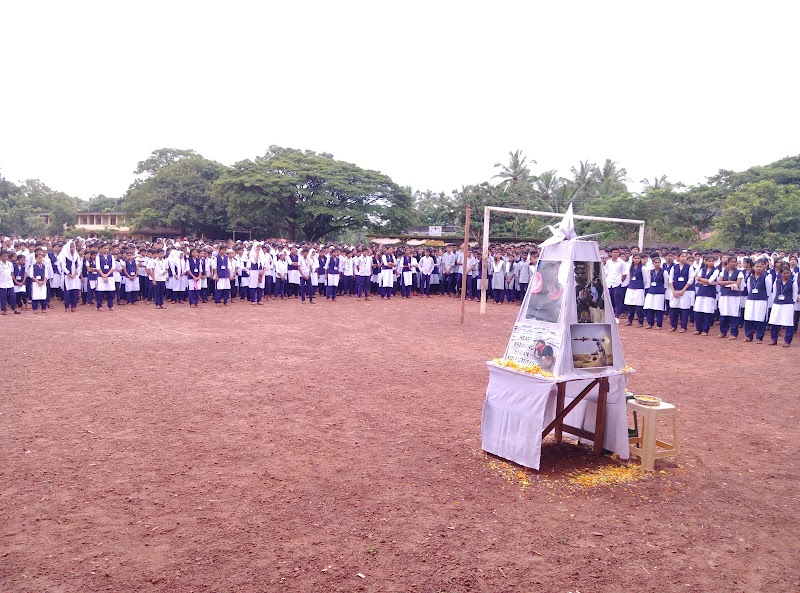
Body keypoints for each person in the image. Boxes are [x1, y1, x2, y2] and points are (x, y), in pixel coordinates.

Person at [743, 259, 771, 343]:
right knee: (749, 317)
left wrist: (764, 297)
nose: (759, 268)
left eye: (760, 266)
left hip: (761, 300)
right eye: (757, 266)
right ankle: (748, 336)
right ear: (753, 267)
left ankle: (759, 337)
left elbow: (768, 290)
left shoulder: (765, 278)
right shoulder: (750, 278)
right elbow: (749, 289)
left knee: (760, 318)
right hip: (751, 300)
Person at [768, 265, 796, 347]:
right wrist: (775, 302)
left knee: (788, 322)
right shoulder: (777, 282)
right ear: (780, 274)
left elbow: (794, 295)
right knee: (774, 321)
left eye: (788, 273)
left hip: (788, 305)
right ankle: (774, 339)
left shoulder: (793, 283)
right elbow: (774, 293)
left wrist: (791, 303)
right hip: (777, 304)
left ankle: (787, 341)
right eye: (784, 273)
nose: (786, 275)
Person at [716, 257, 743, 339]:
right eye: (732, 262)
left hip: (734, 296)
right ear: (728, 263)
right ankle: (723, 332)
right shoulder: (723, 271)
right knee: (724, 313)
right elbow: (719, 282)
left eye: (735, 262)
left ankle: (733, 333)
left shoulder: (739, 273)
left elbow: (737, 284)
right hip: (724, 295)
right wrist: (730, 282)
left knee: (734, 314)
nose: (733, 263)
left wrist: (725, 283)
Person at [692, 255, 719, 336]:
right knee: (698, 311)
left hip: (710, 293)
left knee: (707, 312)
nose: (711, 263)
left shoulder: (716, 271)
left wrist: (700, 279)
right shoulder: (702, 270)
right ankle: (698, 329)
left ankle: (705, 330)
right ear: (705, 262)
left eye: (712, 261)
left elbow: (710, 280)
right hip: (701, 292)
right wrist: (707, 282)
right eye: (709, 261)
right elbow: (697, 280)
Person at [668, 251, 694, 333]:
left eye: (685, 256)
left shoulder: (689, 267)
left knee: (684, 308)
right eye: (682, 256)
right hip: (675, 290)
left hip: (685, 291)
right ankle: (673, 326)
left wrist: (683, 290)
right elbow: (670, 279)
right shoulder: (674, 267)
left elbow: (690, 280)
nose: (684, 258)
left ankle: (683, 327)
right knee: (673, 308)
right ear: (678, 257)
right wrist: (673, 291)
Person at [643, 255, 667, 329]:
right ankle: (650, 323)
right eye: (656, 262)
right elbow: (648, 282)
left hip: (660, 292)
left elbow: (666, 284)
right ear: (653, 263)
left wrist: (663, 290)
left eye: (658, 262)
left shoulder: (664, 272)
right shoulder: (650, 271)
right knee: (649, 308)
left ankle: (659, 325)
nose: (657, 264)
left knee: (659, 308)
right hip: (651, 291)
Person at [624, 253, 646, 327]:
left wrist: (643, 287)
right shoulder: (630, 267)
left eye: (638, 258)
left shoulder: (642, 268)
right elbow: (628, 277)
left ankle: (640, 321)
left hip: (639, 288)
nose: (637, 260)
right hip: (631, 287)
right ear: (632, 259)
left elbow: (645, 279)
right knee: (630, 305)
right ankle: (629, 320)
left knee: (639, 306)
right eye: (635, 258)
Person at [60, 240, 83, 313]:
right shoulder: (64, 256)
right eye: (71, 247)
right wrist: (69, 274)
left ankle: (74, 306)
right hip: (67, 277)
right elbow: (63, 266)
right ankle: (67, 306)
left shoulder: (76, 256)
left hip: (75, 277)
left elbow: (79, 266)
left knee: (75, 292)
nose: (72, 249)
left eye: (73, 247)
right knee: (67, 292)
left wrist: (75, 273)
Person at [604, 248, 627, 317]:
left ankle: (617, 314)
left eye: (617, 252)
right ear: (611, 253)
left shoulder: (622, 263)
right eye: (614, 252)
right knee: (610, 299)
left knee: (617, 299)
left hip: (617, 283)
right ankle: (610, 314)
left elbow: (624, 274)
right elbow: (607, 271)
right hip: (609, 283)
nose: (615, 254)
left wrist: (620, 281)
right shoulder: (608, 262)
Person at [95, 244, 116, 311]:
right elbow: (98, 267)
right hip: (101, 276)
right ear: (101, 249)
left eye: (107, 248)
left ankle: (110, 305)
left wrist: (107, 275)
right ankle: (99, 306)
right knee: (100, 292)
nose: (106, 249)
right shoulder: (98, 256)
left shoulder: (111, 256)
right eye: (104, 248)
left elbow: (113, 267)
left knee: (110, 292)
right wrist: (103, 275)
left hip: (110, 276)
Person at [0, 250, 19, 315]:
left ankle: (14, 308)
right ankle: (3, 309)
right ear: (0, 257)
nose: (5, 257)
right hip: (2, 282)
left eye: (6, 256)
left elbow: (12, 273)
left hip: (9, 282)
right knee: (3, 297)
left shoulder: (10, 264)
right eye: (3, 256)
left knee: (13, 295)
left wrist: (15, 280)